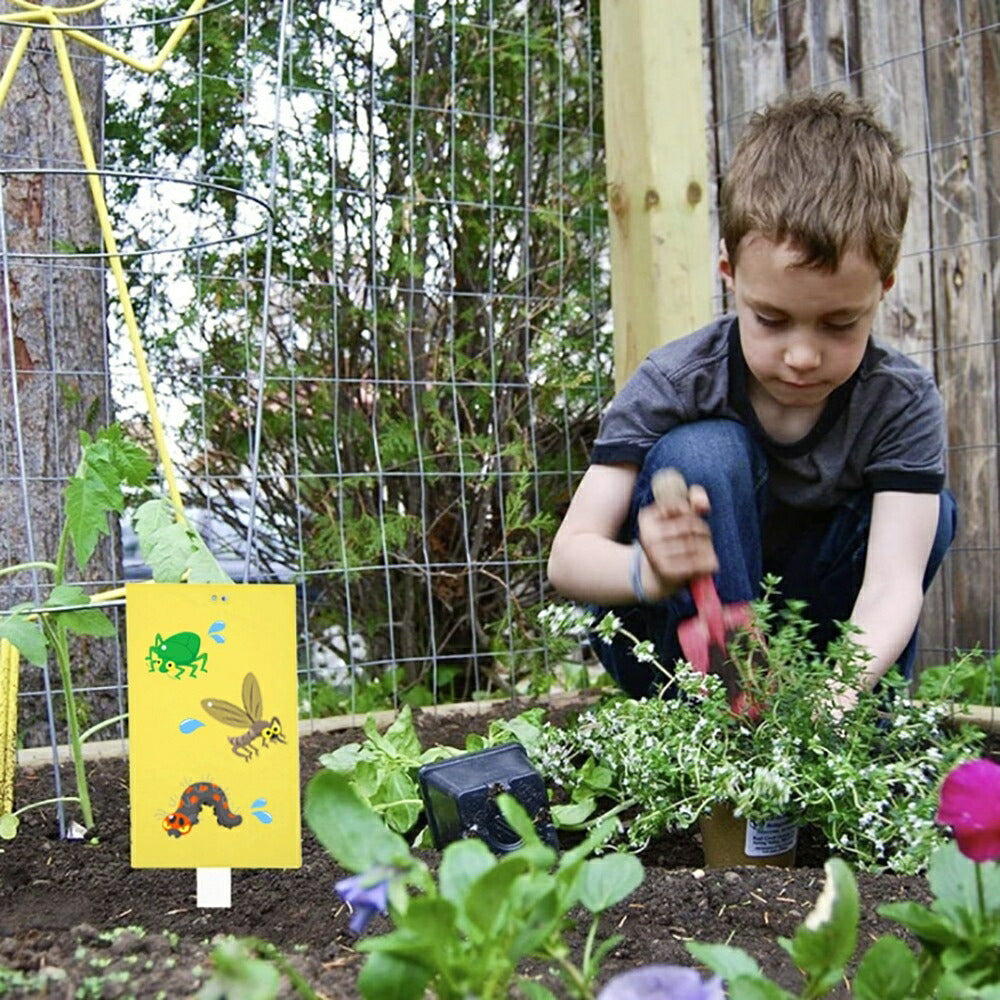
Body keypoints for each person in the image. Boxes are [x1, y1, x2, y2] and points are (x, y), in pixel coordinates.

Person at [547, 90, 956, 707]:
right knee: (703, 451)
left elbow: (893, 585)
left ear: (883, 289)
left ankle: (843, 733)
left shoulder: (900, 403)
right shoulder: (676, 381)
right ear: (730, 276)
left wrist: (837, 693)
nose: (802, 355)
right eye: (770, 318)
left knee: (933, 513)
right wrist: (646, 571)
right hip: (669, 647)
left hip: (814, 650)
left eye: (840, 323)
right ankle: (732, 722)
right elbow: (569, 558)